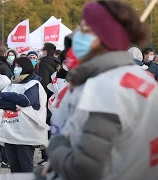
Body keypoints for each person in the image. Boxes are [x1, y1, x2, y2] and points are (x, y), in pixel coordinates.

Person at [42, 1, 158, 180]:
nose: (76, 35)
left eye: (85, 29)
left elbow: (85, 168)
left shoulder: (106, 86)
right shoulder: (142, 79)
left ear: (102, 38)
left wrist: (57, 147)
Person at [0, 57, 49, 173]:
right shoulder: (12, 83)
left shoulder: (33, 84)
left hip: (26, 133)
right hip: (10, 130)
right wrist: (13, 105)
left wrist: (5, 95)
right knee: (14, 168)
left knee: (26, 167)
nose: (16, 68)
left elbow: (26, 100)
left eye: (18, 66)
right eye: (15, 66)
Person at [38, 42, 60, 164]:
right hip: (57, 99)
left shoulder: (44, 64)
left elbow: (44, 84)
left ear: (45, 51)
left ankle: (47, 157)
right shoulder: (58, 63)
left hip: (47, 99)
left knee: (46, 128)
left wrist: (42, 100)